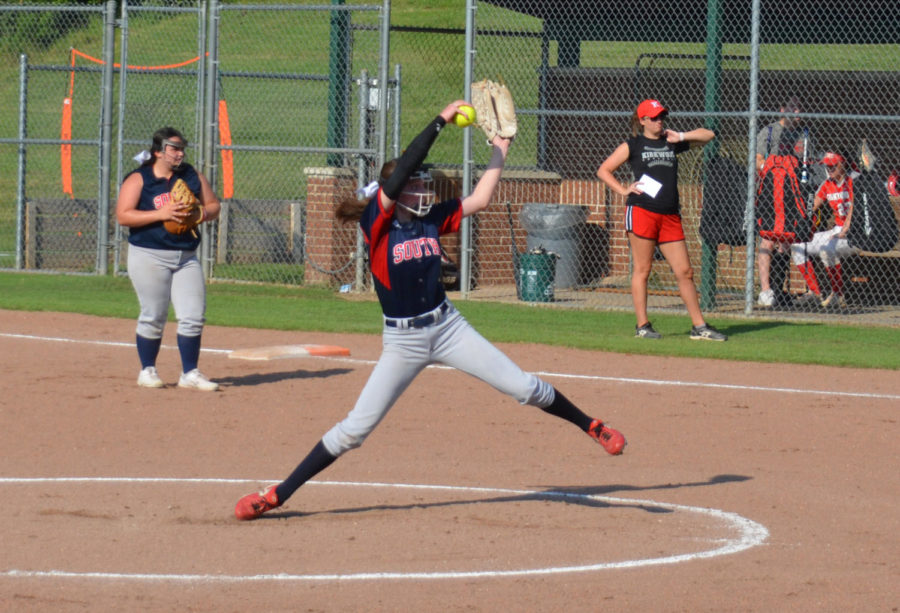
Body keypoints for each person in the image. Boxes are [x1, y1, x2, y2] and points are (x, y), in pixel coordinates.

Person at [234, 101, 626, 520]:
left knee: (524, 388)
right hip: (403, 341)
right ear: (396, 191)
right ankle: (278, 493)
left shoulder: (429, 220)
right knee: (355, 430)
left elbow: (480, 198)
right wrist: (439, 119)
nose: (425, 191)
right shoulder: (377, 223)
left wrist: (500, 150)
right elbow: (405, 167)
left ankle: (591, 425)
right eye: (417, 185)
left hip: (448, 326)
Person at [596, 99, 727, 341]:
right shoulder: (633, 145)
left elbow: (709, 135)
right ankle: (642, 325)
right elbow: (604, 170)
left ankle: (699, 327)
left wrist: (681, 135)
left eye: (661, 116)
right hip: (643, 211)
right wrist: (624, 189)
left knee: (685, 271)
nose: (659, 121)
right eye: (654, 117)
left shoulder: (671, 141)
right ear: (643, 120)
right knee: (643, 269)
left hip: (669, 215)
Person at [115, 127, 222, 391]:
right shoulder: (140, 179)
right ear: (158, 152)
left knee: (193, 315)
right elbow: (123, 215)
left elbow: (214, 206)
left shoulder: (191, 175)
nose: (180, 153)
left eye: (181, 149)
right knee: (154, 314)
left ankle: (190, 373)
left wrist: (199, 215)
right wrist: (160, 214)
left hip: (186, 256)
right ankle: (147, 370)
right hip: (149, 255)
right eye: (174, 149)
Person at [754, 98, 814, 307]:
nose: (798, 111)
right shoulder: (769, 131)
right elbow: (758, 160)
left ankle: (779, 288)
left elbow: (808, 163)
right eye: (793, 107)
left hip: (792, 195)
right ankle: (765, 290)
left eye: (800, 107)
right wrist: (777, 170)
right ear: (782, 109)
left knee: (786, 241)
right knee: (768, 240)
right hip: (772, 194)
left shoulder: (804, 133)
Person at [790, 151, 859, 309]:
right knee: (798, 246)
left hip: (856, 233)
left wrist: (846, 229)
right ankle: (815, 293)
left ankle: (838, 294)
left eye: (833, 165)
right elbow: (811, 206)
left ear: (843, 164)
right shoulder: (827, 184)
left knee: (826, 249)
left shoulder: (853, 180)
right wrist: (795, 222)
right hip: (837, 230)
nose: (830, 169)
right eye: (827, 166)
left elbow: (856, 207)